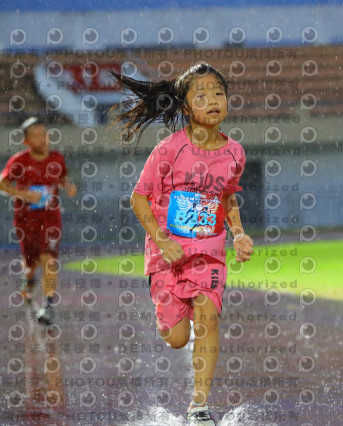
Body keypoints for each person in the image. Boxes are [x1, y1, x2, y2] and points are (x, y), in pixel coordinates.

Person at [110, 62, 254, 425]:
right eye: (201, 96)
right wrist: (162, 240)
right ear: (186, 107)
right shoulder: (169, 149)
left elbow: (227, 196)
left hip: (209, 252)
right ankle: (168, 314)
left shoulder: (235, 153)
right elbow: (138, 199)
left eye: (218, 93)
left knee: (208, 317)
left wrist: (238, 233)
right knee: (176, 338)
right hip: (167, 255)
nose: (213, 101)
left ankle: (199, 406)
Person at [0, 117, 77, 325]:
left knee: (49, 259)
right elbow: (0, 184)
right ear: (26, 141)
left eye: (44, 133)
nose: (42, 138)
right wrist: (25, 195)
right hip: (26, 221)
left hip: (50, 218)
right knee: (31, 264)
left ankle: (48, 307)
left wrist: (68, 185)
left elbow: (62, 178)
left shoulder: (57, 158)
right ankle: (28, 280)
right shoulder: (19, 161)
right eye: (35, 136)